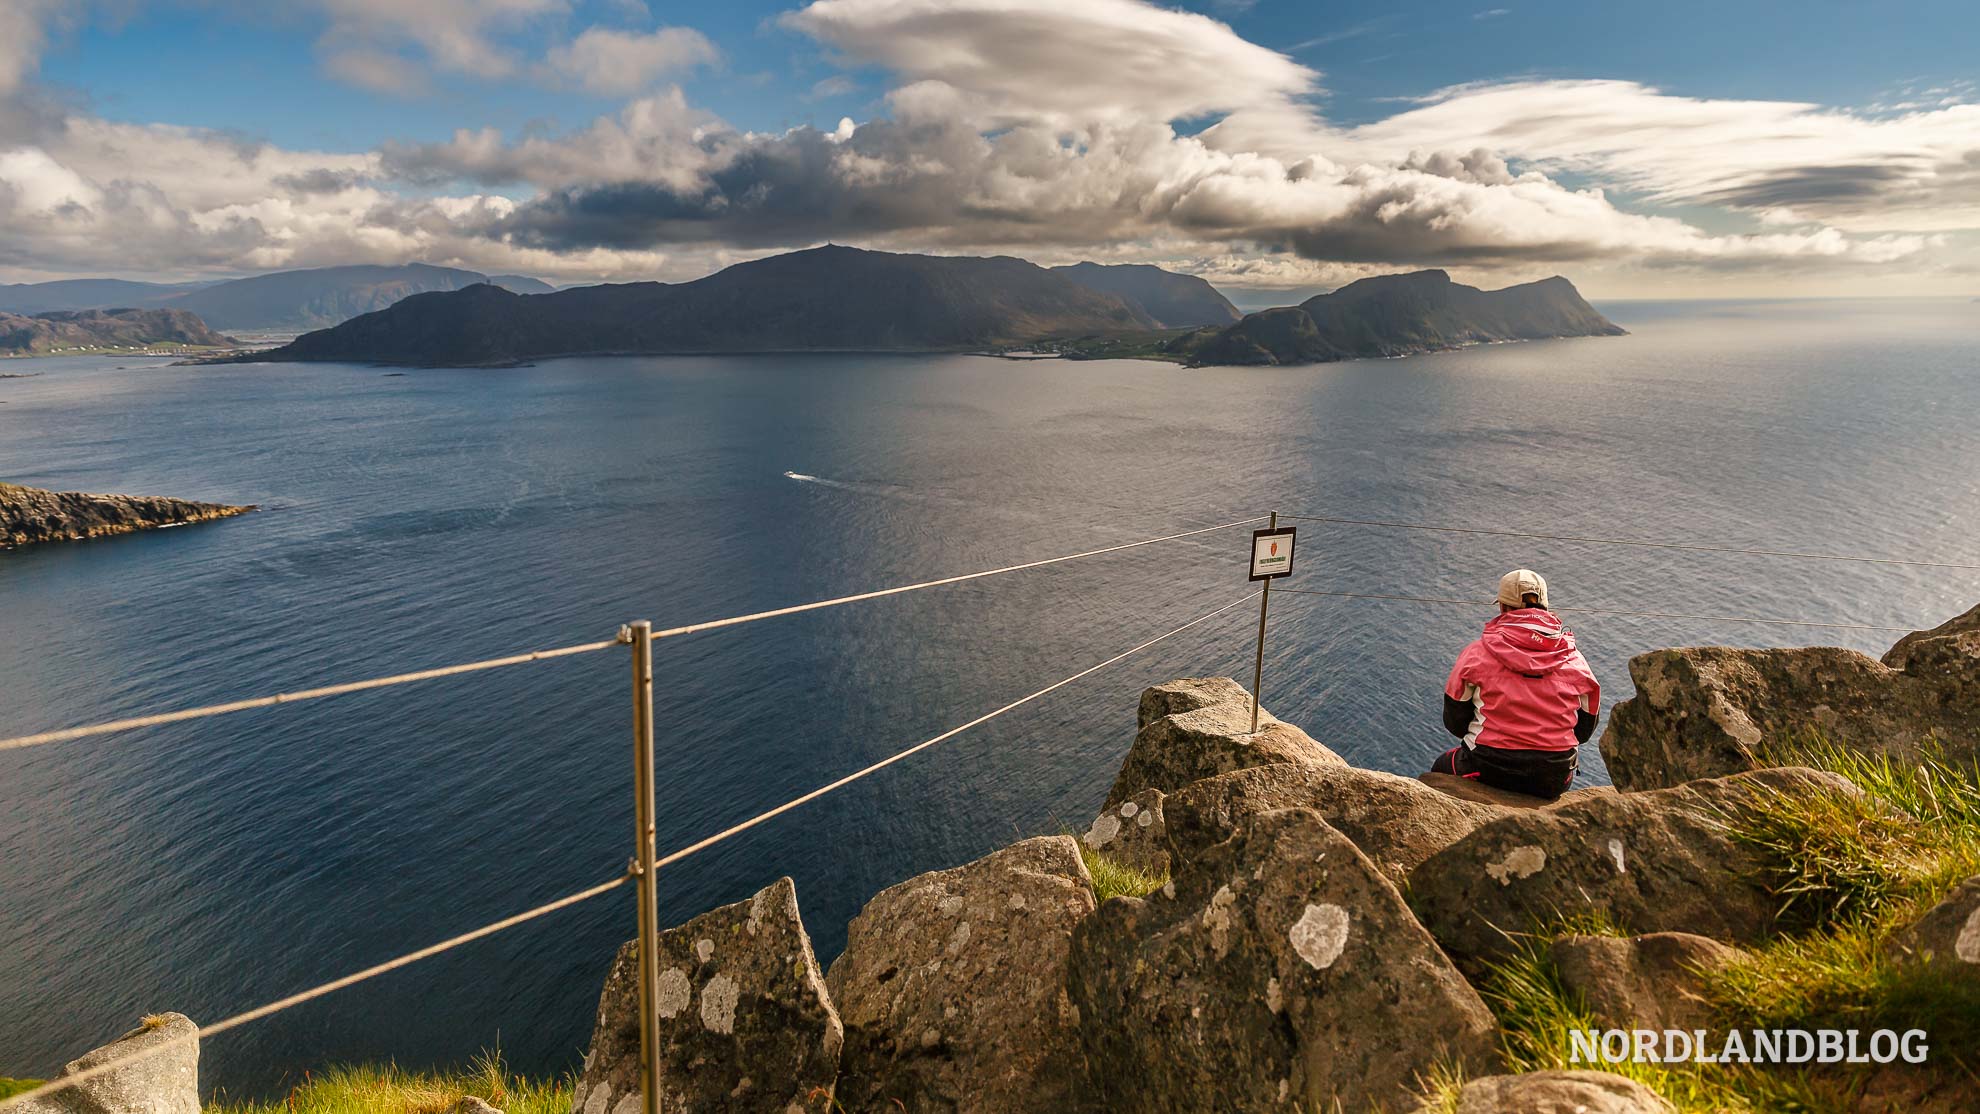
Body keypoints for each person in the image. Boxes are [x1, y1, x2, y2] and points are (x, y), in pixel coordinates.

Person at [1429, 569, 1600, 799]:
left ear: (1502, 607)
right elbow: (1584, 731)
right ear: (1545, 607)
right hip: (1553, 776)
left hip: (1488, 767)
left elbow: (1455, 723)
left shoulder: (1476, 655)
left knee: (1441, 768)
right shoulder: (1575, 661)